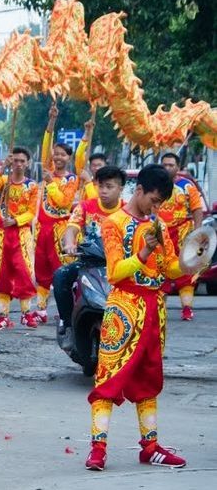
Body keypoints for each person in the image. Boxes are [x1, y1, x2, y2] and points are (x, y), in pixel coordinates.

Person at [85, 164, 186, 471]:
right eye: (153, 201)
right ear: (139, 190)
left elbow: (169, 268)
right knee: (109, 378)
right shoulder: (113, 222)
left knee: (149, 378)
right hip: (124, 307)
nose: (156, 208)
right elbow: (115, 273)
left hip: (155, 308)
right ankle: (98, 448)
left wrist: (192, 262)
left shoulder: (158, 225)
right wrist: (143, 254)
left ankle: (150, 446)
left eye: (160, 204)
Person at [53, 166, 126, 341]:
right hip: (89, 262)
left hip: (118, 264)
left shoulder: (127, 210)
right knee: (60, 276)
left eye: (109, 187)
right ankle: (67, 322)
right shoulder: (85, 206)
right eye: (101, 186)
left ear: (120, 188)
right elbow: (72, 228)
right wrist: (70, 243)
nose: (104, 191)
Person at [35, 105, 80, 323]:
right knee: (41, 269)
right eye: (56, 155)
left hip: (60, 230)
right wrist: (51, 121)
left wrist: (51, 184)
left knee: (61, 270)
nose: (58, 158)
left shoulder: (71, 179)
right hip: (42, 229)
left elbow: (63, 201)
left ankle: (66, 311)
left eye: (62, 155)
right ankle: (41, 308)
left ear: (69, 158)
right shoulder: (48, 170)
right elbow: (46, 147)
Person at [0, 147, 39, 329]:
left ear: (28, 163)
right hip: (2, 235)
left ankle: (26, 313)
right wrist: (2, 167)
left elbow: (32, 212)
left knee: (25, 272)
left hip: (22, 234)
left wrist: (16, 221)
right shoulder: (3, 180)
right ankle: (3, 315)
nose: (18, 164)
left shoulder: (32, 186)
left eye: (22, 161)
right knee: (2, 274)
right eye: (15, 160)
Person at [158, 152, 205, 321]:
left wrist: (197, 233)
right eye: (164, 165)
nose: (168, 168)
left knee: (185, 272)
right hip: (159, 234)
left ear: (178, 167)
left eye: (171, 165)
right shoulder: (155, 185)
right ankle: (159, 309)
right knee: (158, 270)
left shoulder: (187, 186)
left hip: (182, 233)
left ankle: (187, 309)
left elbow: (197, 209)